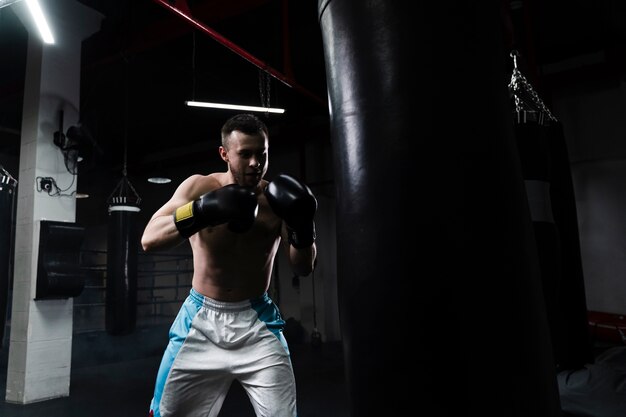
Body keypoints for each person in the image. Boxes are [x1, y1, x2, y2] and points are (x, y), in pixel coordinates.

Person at [141, 113, 318, 417]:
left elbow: (303, 267)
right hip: (200, 321)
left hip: (257, 323)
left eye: (261, 154)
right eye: (245, 154)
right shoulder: (199, 188)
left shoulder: (275, 201)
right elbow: (149, 239)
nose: (254, 163)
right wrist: (199, 211)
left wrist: (303, 228)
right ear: (224, 153)